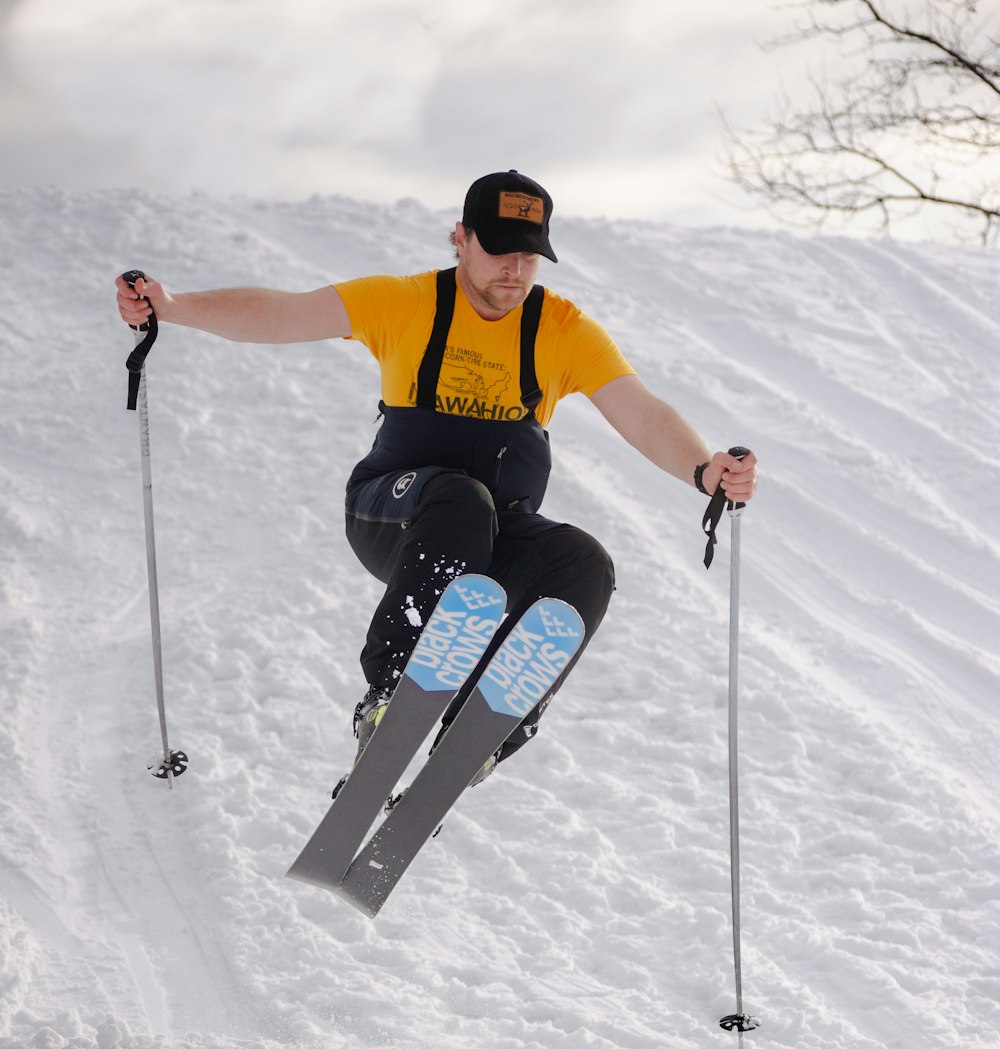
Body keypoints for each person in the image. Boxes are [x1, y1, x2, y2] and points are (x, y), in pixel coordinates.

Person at [116, 169, 758, 784]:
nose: (513, 269)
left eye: (529, 256)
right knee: (461, 501)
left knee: (581, 561)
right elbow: (283, 314)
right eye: (500, 250)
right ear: (462, 239)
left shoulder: (560, 330)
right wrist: (171, 307)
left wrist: (704, 471)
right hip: (394, 514)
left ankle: (484, 729)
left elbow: (640, 412)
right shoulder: (407, 303)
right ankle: (393, 695)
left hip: (490, 533)